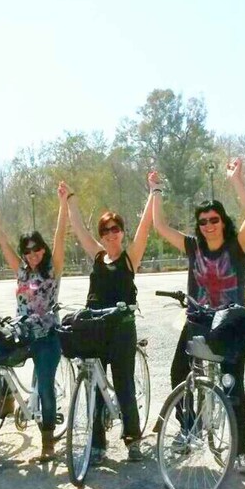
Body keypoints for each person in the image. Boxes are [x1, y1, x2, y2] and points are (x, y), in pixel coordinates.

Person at [148, 161, 245, 474]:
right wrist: (156, 191)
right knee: (179, 376)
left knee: (233, 386)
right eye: (203, 221)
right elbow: (160, 227)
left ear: (223, 221)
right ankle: (188, 429)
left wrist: (237, 181)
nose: (209, 225)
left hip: (229, 325)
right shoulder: (193, 246)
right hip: (197, 322)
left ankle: (242, 450)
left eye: (214, 219)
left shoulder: (238, 246)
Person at [63, 180, 153, 463]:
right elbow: (79, 230)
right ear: (101, 236)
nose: (111, 234)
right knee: (94, 384)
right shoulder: (98, 256)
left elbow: (145, 228)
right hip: (96, 327)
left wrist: (153, 192)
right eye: (106, 230)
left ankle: (133, 440)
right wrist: (70, 201)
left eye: (116, 229)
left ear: (122, 232)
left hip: (122, 330)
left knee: (123, 384)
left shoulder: (130, 258)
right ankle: (98, 444)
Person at [0, 190, 68, 462]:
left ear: (43, 249)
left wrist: (63, 204)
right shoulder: (21, 271)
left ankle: (48, 440)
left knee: (44, 387)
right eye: (27, 251)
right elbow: (2, 241)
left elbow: (60, 236)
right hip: (22, 333)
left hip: (47, 337)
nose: (32, 255)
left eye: (36, 249)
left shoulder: (53, 269)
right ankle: (5, 401)